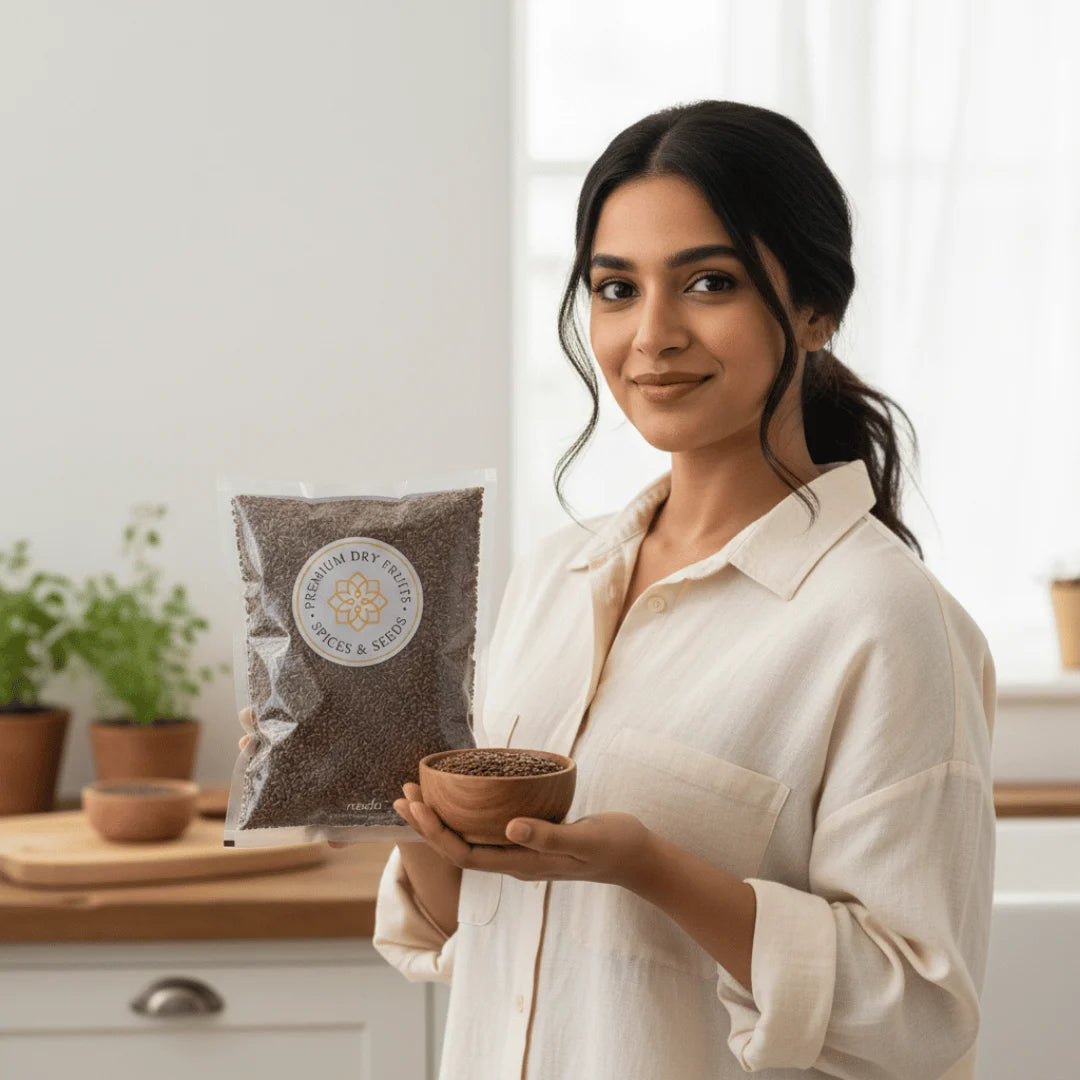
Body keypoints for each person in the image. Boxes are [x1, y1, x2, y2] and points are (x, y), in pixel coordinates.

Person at [241, 100, 996, 1080]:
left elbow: (922, 1015)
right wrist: (398, 801)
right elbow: (477, 932)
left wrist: (652, 869)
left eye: (708, 283)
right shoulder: (555, 575)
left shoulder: (886, 624)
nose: (653, 336)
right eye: (615, 289)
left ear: (816, 309)